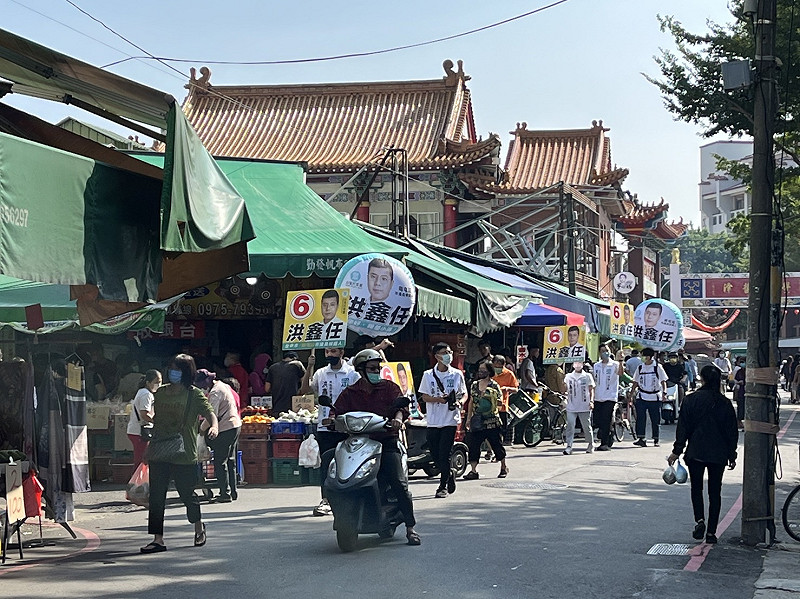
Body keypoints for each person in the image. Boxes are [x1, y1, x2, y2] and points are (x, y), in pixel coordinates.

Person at [331, 349, 420, 545]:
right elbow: (336, 411)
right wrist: (331, 419)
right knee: (330, 468)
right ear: (361, 370)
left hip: (385, 442)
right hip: (357, 443)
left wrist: (397, 419)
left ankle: (410, 528)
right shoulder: (350, 392)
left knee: (398, 482)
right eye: (372, 368)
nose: (376, 371)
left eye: (377, 368)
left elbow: (401, 409)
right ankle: (328, 501)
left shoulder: (389, 388)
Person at [141, 354, 218, 554]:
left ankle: (198, 525)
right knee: (157, 496)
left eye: (177, 369)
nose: (172, 372)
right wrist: (149, 448)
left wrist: (214, 427)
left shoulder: (194, 395)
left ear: (186, 372)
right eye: (171, 368)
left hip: (184, 453)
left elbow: (210, 413)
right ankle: (158, 539)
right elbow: (156, 422)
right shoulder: (161, 393)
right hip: (160, 451)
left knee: (187, 494)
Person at [668, 365, 738, 545]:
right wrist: (732, 454)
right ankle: (712, 533)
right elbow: (732, 432)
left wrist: (677, 451)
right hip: (718, 453)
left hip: (696, 452)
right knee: (715, 493)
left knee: (696, 489)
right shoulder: (725, 403)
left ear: (702, 379)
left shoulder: (691, 400)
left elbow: (683, 428)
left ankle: (700, 520)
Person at [299, 347, 359, 516]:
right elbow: (305, 390)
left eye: (333, 351)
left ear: (341, 352)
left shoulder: (352, 374)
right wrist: (309, 367)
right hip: (325, 426)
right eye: (327, 352)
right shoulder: (320, 373)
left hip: (346, 426)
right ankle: (326, 499)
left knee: (347, 463)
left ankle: (348, 497)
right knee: (327, 463)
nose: (330, 355)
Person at [419, 342, 467, 498]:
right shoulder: (428, 375)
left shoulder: (456, 374)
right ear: (437, 356)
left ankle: (442, 486)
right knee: (434, 453)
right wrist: (438, 400)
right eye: (445, 352)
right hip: (433, 420)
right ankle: (449, 472)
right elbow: (424, 396)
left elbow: (464, 393)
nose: (449, 355)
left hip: (450, 419)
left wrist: (460, 402)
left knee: (444, 452)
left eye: (450, 351)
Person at [195, 370, 242, 503]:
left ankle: (224, 494)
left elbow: (211, 415)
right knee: (230, 460)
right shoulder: (223, 385)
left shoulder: (215, 392)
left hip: (226, 428)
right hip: (235, 425)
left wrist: (201, 431)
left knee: (220, 461)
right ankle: (233, 491)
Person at [463, 359, 508, 479]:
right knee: (474, 445)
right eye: (480, 370)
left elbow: (500, 402)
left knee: (496, 444)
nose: (481, 372)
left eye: (483, 370)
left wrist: (491, 400)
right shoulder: (474, 385)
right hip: (477, 420)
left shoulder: (494, 385)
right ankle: (473, 470)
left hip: (492, 421)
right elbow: (471, 402)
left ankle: (503, 466)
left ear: (489, 371)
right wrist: (468, 418)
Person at [630, 347, 668, 447]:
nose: (643, 358)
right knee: (640, 418)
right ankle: (641, 438)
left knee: (655, 419)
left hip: (655, 397)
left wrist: (664, 393)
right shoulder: (640, 368)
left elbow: (663, 381)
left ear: (650, 357)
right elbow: (635, 382)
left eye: (644, 356)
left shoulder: (657, 367)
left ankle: (656, 439)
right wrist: (631, 395)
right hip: (642, 396)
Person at [126, 369, 161, 467]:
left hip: (137, 431)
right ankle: (137, 481)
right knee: (141, 460)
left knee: (141, 459)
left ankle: (141, 481)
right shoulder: (146, 394)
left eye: (160, 382)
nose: (158, 385)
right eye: (156, 382)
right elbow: (144, 414)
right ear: (148, 383)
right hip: (140, 432)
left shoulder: (142, 392)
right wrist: (157, 422)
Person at [592, 345, 622, 451]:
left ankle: (604, 443)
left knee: (605, 419)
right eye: (602, 351)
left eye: (607, 350)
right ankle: (610, 434)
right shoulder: (596, 365)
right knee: (598, 420)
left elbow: (621, 373)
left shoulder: (615, 364)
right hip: (598, 396)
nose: (605, 352)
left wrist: (621, 361)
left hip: (610, 396)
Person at [563, 361, 595, 455]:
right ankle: (569, 446)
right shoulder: (568, 376)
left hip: (584, 405)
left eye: (579, 363)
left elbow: (591, 389)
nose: (577, 365)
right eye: (575, 363)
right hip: (571, 405)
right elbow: (564, 389)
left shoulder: (587, 376)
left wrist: (592, 401)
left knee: (586, 426)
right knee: (570, 425)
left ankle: (590, 443)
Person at [492, 354, 518, 447]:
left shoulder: (509, 374)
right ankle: (490, 449)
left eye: (500, 367)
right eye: (495, 366)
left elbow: (516, 389)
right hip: (489, 406)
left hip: (502, 406)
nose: (497, 368)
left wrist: (507, 388)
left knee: (501, 429)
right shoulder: (489, 373)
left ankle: (498, 448)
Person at [733, 361, 746, 430]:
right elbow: (735, 379)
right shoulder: (739, 371)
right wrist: (738, 382)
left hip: (747, 391)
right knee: (740, 406)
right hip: (740, 391)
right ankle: (739, 422)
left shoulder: (749, 371)